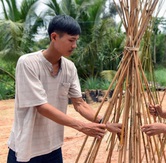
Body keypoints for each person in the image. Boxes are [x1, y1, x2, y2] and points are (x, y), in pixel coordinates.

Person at [7, 15, 121, 163]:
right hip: (26, 147)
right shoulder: (28, 63)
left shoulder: (69, 67)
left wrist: (104, 122)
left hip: (53, 147)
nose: (74, 45)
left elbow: (79, 104)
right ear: (54, 37)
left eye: (76, 41)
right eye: (71, 40)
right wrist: (82, 126)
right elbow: (41, 106)